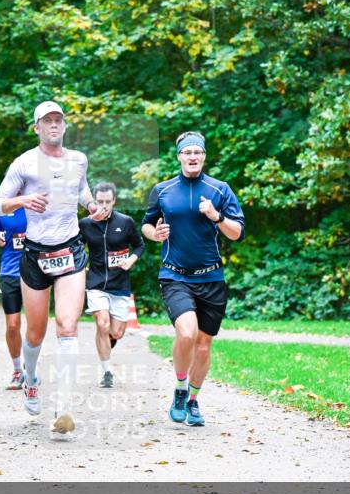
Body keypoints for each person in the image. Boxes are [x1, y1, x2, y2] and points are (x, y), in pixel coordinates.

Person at [0, 100, 109, 435]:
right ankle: (30, 380)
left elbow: (81, 190)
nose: (54, 125)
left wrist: (91, 207)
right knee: (35, 333)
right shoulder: (24, 163)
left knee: (68, 326)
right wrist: (22, 201)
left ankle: (65, 405)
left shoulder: (78, 160)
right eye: (47, 121)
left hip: (70, 249)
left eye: (59, 120)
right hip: (35, 254)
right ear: (37, 127)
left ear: (65, 126)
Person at [141, 131, 245, 426]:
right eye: (187, 153)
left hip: (211, 277)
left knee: (203, 344)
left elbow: (237, 233)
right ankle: (179, 387)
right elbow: (147, 225)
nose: (192, 157)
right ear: (179, 157)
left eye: (197, 152)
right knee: (186, 333)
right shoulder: (162, 190)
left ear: (204, 156)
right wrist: (155, 234)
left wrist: (216, 216)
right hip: (175, 275)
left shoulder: (220, 189)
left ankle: (194, 400)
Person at [78, 181, 145, 388]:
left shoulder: (125, 222)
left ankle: (105, 341)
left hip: (120, 284)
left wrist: (131, 259)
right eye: (99, 202)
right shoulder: (86, 224)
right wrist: (81, 269)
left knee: (116, 333)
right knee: (102, 323)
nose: (104, 206)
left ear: (114, 201)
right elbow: (76, 248)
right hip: (96, 282)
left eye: (108, 202)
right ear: (93, 202)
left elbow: (140, 245)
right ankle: (107, 371)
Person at [0, 207, 28, 390]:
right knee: (12, 325)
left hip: (35, 271)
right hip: (9, 273)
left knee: (36, 326)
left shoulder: (35, 204)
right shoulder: (0, 208)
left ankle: (32, 368)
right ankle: (18, 370)